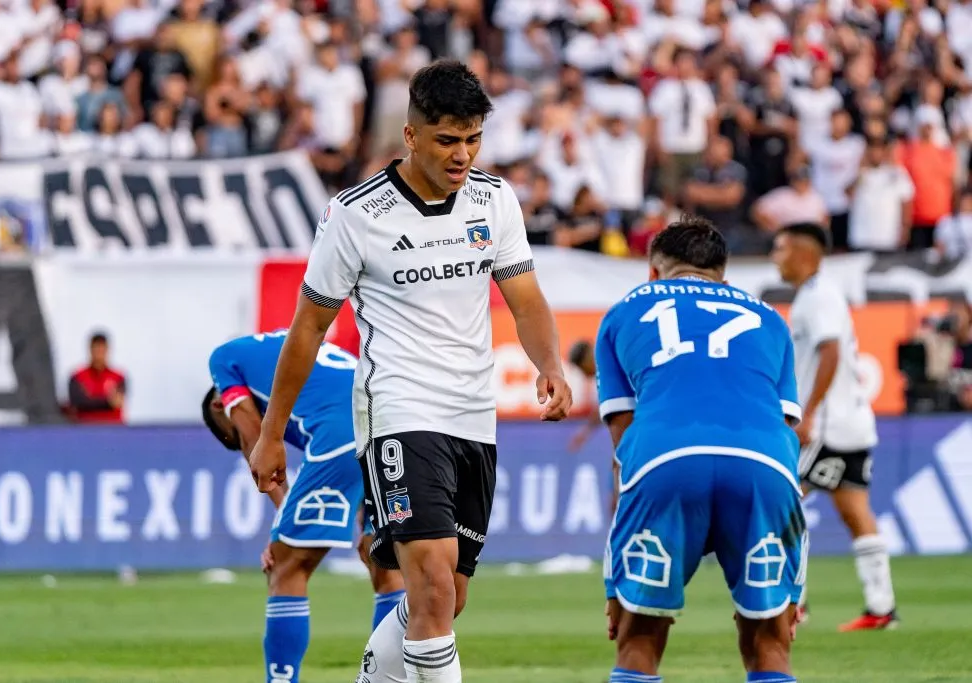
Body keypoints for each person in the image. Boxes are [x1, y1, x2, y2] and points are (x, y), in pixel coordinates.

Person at [248, 59, 572, 683]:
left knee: (448, 594)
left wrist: (549, 364)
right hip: (397, 408)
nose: (463, 156)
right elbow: (308, 329)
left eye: (473, 139)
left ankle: (377, 675)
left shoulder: (495, 201)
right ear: (412, 135)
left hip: (473, 414)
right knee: (428, 585)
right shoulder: (356, 215)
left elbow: (525, 299)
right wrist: (271, 430)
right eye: (448, 140)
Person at [596, 217, 806, 683]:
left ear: (653, 273)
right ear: (723, 279)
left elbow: (623, 441)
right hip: (765, 463)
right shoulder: (769, 319)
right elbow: (787, 427)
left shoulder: (623, 312)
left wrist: (617, 581)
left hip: (664, 459)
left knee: (638, 637)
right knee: (771, 637)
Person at [204, 331, 405, 683]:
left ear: (221, 405)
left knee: (287, 566)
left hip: (342, 431)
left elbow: (255, 439)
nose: (234, 435)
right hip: (395, 425)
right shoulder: (270, 348)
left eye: (228, 432)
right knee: (385, 561)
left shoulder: (224, 361)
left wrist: (281, 523)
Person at [771, 222, 898, 631]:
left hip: (826, 424)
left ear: (803, 254)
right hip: (853, 422)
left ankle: (794, 604)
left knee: (780, 502)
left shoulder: (818, 296)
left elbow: (830, 352)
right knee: (854, 510)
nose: (776, 257)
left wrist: (807, 413)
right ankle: (882, 608)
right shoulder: (819, 294)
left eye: (780, 248)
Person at [67, 331, 126, 423]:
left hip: (113, 428)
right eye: (96, 349)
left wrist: (90, 400)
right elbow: (77, 403)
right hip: (85, 428)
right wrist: (107, 403)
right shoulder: (77, 377)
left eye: (102, 349)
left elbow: (117, 402)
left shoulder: (118, 377)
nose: (99, 354)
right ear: (90, 350)